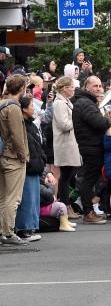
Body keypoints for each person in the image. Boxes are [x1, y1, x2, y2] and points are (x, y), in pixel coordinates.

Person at [72, 76, 111, 224]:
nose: (99, 88)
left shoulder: (86, 102)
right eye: (95, 86)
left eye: (100, 85)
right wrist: (110, 119)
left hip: (91, 145)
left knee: (91, 179)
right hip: (91, 147)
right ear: (86, 87)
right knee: (89, 180)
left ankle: (90, 210)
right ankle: (88, 212)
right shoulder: (85, 103)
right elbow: (100, 123)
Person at [0, 74, 29, 245]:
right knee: (13, 197)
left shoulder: (1, 104)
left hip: (1, 154)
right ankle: (9, 233)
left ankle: (2, 232)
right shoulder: (14, 107)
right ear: (21, 88)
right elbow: (18, 136)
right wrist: (23, 155)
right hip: (12, 157)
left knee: (2, 196)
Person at [15, 96, 46, 241]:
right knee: (26, 200)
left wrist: (42, 160)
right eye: (31, 105)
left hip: (35, 166)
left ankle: (30, 228)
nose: (34, 108)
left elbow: (39, 146)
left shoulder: (31, 125)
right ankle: (23, 229)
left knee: (33, 200)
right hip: (28, 167)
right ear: (24, 109)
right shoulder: (21, 125)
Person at [52, 77, 82, 220]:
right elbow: (64, 124)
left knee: (68, 176)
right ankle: (64, 207)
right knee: (66, 177)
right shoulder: (59, 103)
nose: (73, 89)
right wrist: (77, 120)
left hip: (69, 143)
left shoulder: (66, 102)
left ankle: (66, 206)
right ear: (64, 88)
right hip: (65, 144)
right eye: (71, 87)